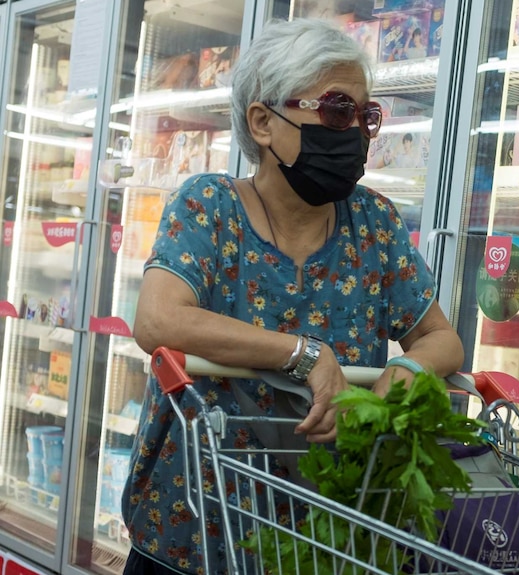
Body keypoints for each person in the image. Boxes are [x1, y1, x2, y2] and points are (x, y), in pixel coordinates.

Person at [121, 18, 464, 575]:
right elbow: (158, 321)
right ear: (263, 121)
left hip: (322, 541)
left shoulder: (372, 223)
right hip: (193, 534)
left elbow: (442, 338)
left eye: (364, 117)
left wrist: (412, 372)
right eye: (334, 111)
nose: (353, 133)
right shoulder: (209, 207)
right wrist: (304, 354)